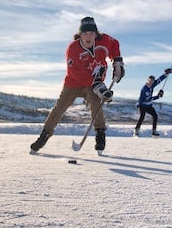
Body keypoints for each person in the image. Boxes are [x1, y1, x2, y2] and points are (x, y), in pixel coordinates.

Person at [30, 17, 125, 154]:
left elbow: (114, 45)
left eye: (91, 33)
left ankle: (100, 134)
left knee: (96, 105)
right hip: (73, 83)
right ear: (79, 35)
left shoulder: (104, 40)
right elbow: (76, 73)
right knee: (59, 108)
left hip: (93, 84)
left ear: (96, 34)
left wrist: (117, 62)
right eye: (85, 33)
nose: (88, 37)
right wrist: (99, 87)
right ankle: (44, 135)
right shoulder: (73, 49)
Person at [133, 68, 172, 137]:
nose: (151, 82)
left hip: (148, 105)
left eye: (152, 81)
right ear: (148, 80)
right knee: (142, 117)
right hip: (142, 104)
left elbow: (159, 80)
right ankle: (136, 130)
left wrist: (166, 74)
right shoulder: (145, 89)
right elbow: (148, 99)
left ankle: (154, 131)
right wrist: (158, 96)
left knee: (155, 116)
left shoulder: (152, 85)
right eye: (150, 81)